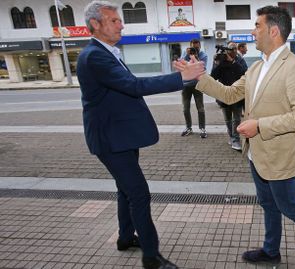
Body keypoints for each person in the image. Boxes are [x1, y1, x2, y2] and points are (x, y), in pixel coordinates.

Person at [180, 5, 295, 266]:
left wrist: (259, 125)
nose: (253, 31)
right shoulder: (256, 67)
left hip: (280, 153)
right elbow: (228, 94)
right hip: (257, 154)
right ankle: (271, 251)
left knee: (288, 205)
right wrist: (200, 77)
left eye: (257, 26)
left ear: (274, 31)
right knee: (268, 204)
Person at [76, 2, 204, 269]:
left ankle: (125, 237)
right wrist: (181, 78)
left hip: (121, 136)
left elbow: (124, 89)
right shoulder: (94, 56)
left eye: (119, 20)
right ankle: (151, 257)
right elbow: (133, 86)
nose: (121, 24)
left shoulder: (107, 52)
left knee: (125, 190)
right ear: (95, 25)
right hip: (111, 140)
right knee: (139, 194)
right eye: (113, 20)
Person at [211, 43, 246, 151]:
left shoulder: (239, 60)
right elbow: (213, 76)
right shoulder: (221, 61)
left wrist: (233, 62)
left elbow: (244, 73)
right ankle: (231, 137)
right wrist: (217, 64)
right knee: (228, 119)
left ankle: (235, 139)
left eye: (235, 49)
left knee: (236, 119)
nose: (234, 51)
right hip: (224, 95)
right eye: (231, 49)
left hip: (237, 95)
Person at [180, 38, 208, 138]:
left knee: (200, 108)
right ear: (190, 46)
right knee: (185, 108)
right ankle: (188, 127)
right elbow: (181, 66)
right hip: (185, 85)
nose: (195, 50)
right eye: (193, 47)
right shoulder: (185, 53)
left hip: (197, 85)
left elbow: (202, 69)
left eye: (197, 47)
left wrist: (196, 58)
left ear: (200, 46)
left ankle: (202, 128)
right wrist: (187, 55)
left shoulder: (203, 55)